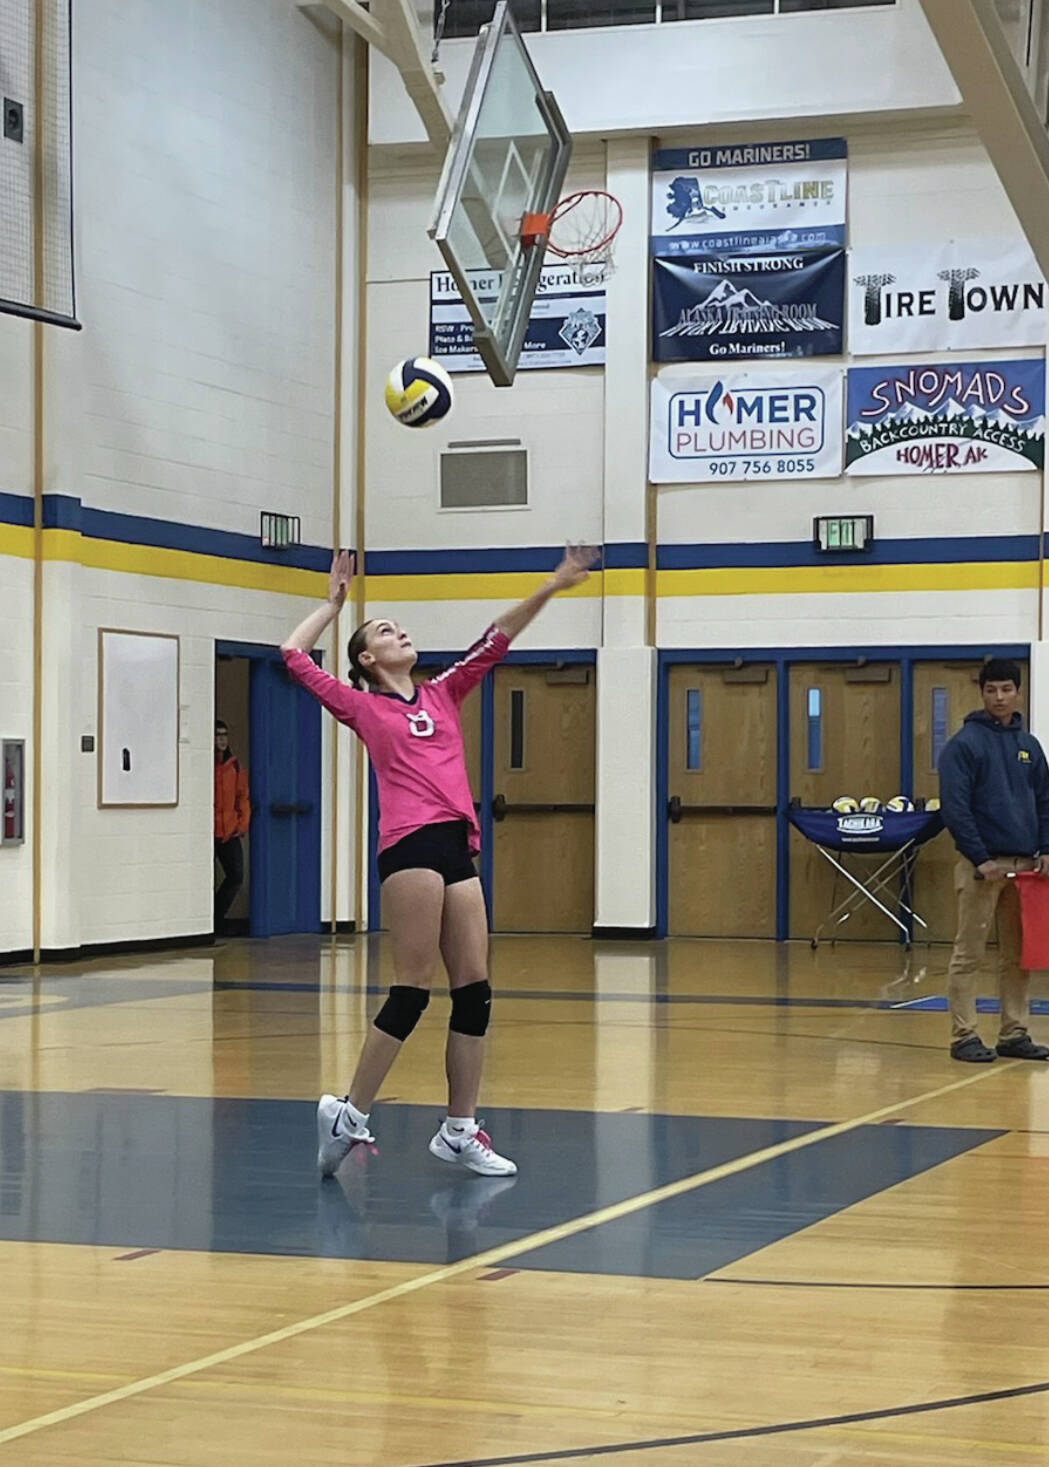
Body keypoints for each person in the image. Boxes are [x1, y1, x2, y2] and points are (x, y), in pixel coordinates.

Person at [281, 544, 599, 1178]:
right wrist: (333, 604)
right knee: (412, 989)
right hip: (410, 846)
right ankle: (350, 1112)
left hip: (457, 843)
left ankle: (459, 1128)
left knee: (475, 992)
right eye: (385, 632)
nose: (401, 632)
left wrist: (554, 585)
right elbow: (292, 656)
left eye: (400, 627)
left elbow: (497, 635)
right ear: (368, 661)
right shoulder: (362, 705)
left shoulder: (445, 693)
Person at [938, 658, 1049, 1063]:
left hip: (1025, 870)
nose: (999, 697)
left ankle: (1014, 1032)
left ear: (1017, 692)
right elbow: (956, 808)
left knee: (1018, 956)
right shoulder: (963, 745)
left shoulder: (1029, 746)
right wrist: (980, 858)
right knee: (968, 953)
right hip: (980, 868)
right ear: (982, 693)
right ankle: (963, 1035)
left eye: (1006, 689)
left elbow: (1044, 801)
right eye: (991, 690)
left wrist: (1046, 848)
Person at [214, 720, 251, 934]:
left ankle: (218, 916)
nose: (221, 739)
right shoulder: (207, 764)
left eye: (224, 735)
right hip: (211, 831)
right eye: (217, 735)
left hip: (229, 831)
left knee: (236, 876)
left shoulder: (234, 766)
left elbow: (242, 797)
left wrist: (242, 823)